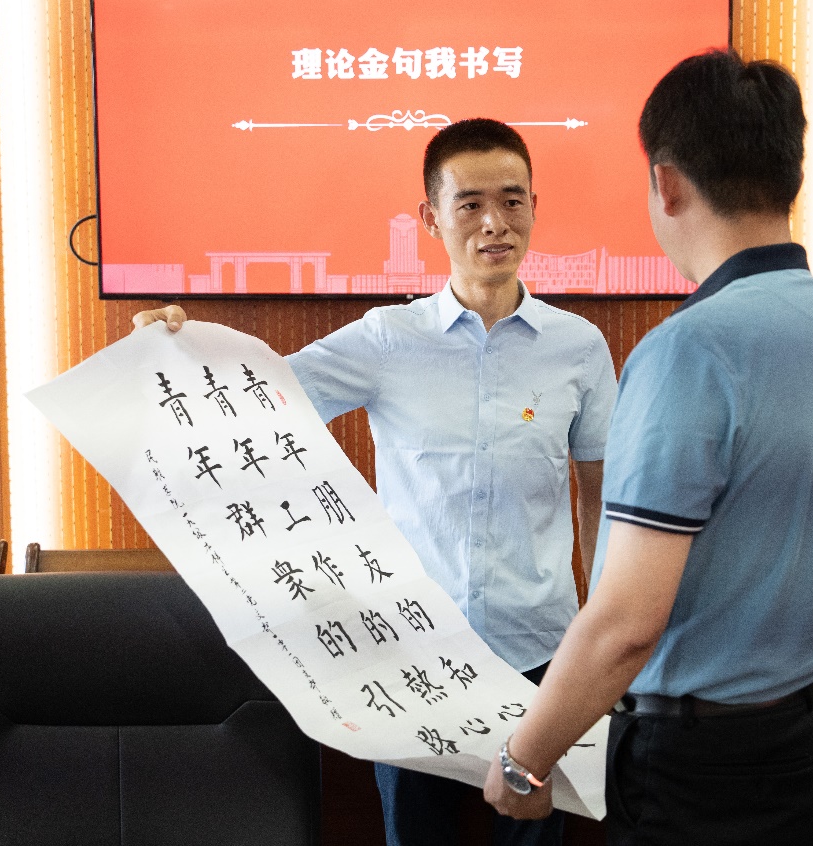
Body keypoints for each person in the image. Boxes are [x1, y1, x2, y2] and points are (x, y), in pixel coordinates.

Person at [134, 118, 617, 846]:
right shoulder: (387, 339)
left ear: (533, 208)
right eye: (470, 204)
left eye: (512, 201)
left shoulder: (578, 347)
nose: (494, 223)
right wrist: (172, 346)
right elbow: (257, 395)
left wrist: (598, 637)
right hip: (412, 651)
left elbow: (599, 498)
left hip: (541, 654)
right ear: (431, 218)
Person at [483, 50, 813, 845]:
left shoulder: (689, 351)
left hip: (708, 773)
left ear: (665, 184)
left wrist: (524, 760)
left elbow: (627, 622)